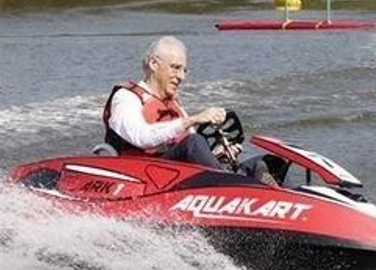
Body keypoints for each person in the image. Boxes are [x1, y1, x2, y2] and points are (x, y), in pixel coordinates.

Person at [101, 37, 280, 184]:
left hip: (176, 174)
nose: (181, 77)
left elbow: (193, 150)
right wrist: (192, 120)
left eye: (184, 70)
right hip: (144, 177)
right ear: (154, 64)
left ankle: (290, 199)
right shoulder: (126, 98)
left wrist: (218, 153)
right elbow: (141, 137)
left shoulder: (173, 104)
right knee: (193, 141)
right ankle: (239, 188)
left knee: (267, 161)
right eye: (176, 68)